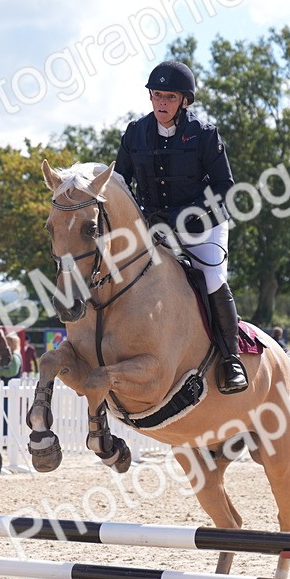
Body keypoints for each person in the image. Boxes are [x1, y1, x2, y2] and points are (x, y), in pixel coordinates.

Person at [114, 59, 247, 395]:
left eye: (169, 97)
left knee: (211, 277)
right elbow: (119, 181)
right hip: (153, 227)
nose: (162, 103)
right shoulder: (135, 133)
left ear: (184, 101)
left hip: (202, 225)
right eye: (157, 95)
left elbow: (225, 188)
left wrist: (180, 217)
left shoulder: (204, 135)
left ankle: (231, 359)